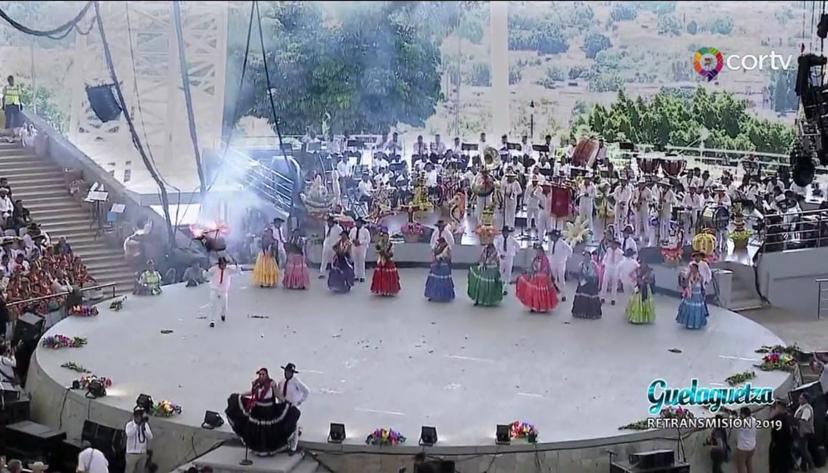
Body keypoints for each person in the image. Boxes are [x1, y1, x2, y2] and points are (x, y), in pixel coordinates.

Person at [226, 368, 301, 457]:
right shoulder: (256, 384)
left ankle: (270, 449)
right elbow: (252, 393)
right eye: (260, 374)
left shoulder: (271, 384)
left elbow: (277, 395)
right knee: (257, 431)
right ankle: (258, 449)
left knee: (269, 432)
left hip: (269, 411)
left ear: (266, 375)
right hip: (258, 410)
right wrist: (241, 395)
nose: (261, 376)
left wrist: (287, 403)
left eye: (263, 374)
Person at [275, 363, 309, 455]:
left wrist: (300, 401)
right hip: (284, 405)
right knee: (283, 424)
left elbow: (306, 391)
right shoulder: (281, 382)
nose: (287, 373)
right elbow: (278, 393)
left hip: (294, 406)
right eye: (286, 371)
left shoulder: (296, 381)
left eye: (290, 372)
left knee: (295, 425)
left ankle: (293, 447)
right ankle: (283, 443)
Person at [516, 244, 559, 313]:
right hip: (536, 277)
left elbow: (545, 270)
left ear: (542, 252)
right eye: (537, 252)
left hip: (543, 278)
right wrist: (531, 273)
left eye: (539, 252)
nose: (538, 253)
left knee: (540, 292)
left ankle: (542, 307)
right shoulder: (535, 259)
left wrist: (537, 273)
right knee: (528, 287)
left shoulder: (545, 259)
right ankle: (534, 306)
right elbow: (532, 268)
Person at [207, 257, 239, 328]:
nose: (223, 266)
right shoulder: (214, 269)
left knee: (224, 304)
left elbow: (237, 270)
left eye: (224, 264)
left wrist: (236, 264)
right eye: (222, 264)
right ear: (219, 264)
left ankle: (223, 314)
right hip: (214, 289)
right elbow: (207, 273)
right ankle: (212, 320)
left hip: (223, 290)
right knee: (213, 304)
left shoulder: (229, 269)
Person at [676, 262, 709, 329]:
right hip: (690, 295)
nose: (691, 269)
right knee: (688, 309)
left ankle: (696, 324)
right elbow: (684, 284)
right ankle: (688, 323)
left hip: (698, 295)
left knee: (697, 310)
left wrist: (703, 294)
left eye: (693, 268)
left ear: (696, 269)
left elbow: (702, 286)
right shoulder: (688, 276)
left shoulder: (700, 276)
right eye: (691, 268)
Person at [572, 251, 602, 319]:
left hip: (591, 282)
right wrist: (581, 279)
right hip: (583, 281)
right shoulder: (581, 264)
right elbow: (579, 273)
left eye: (588, 256)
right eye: (585, 256)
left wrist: (596, 282)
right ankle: (580, 312)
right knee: (581, 296)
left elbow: (597, 274)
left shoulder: (594, 264)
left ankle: (592, 313)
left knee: (592, 297)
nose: (586, 257)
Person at [370, 228, 400, 296]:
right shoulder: (380, 243)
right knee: (380, 275)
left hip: (388, 260)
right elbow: (377, 249)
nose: (385, 237)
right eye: (384, 236)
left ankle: (389, 290)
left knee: (389, 276)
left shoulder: (391, 244)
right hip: (381, 260)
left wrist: (386, 254)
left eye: (386, 236)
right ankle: (382, 289)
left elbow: (391, 253)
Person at [625, 260, 655, 324]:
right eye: (641, 263)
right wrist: (636, 279)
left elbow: (651, 280)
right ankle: (636, 317)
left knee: (645, 301)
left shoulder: (649, 271)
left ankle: (644, 318)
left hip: (645, 288)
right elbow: (630, 274)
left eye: (644, 263)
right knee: (636, 301)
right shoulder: (638, 269)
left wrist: (645, 281)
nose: (642, 264)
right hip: (638, 287)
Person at [425, 237, 454, 302]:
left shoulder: (447, 248)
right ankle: (432, 294)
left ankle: (444, 295)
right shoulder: (437, 246)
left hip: (443, 266)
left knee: (443, 281)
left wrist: (442, 258)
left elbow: (449, 257)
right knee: (433, 280)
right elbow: (433, 254)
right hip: (436, 265)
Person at [124, 408, 152, 473]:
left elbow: (150, 437)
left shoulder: (145, 425)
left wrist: (144, 429)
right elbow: (129, 434)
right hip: (131, 454)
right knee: (129, 471)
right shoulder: (129, 425)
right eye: (137, 416)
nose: (139, 417)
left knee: (140, 471)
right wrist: (136, 425)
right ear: (135, 416)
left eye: (140, 415)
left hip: (142, 453)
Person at [546, 230, 572, 301]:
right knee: (553, 279)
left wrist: (565, 257)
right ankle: (554, 293)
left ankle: (563, 295)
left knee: (561, 279)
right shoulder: (551, 243)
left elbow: (569, 250)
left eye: (552, 236)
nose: (551, 237)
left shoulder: (562, 243)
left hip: (561, 263)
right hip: (553, 262)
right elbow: (550, 253)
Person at [769, 400, 793, 473]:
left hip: (779, 447)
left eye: (775, 408)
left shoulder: (779, 418)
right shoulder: (788, 416)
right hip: (786, 447)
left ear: (779, 408)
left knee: (780, 467)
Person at [793, 392, 816, 471]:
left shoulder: (807, 409)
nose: (799, 399)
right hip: (800, 431)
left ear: (805, 400)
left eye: (801, 398)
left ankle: (811, 466)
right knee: (802, 449)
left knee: (803, 450)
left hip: (805, 432)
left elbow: (803, 420)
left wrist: (794, 421)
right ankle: (804, 466)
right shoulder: (801, 406)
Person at [493, 226, 518, 293]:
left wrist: (514, 252)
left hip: (509, 257)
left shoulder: (512, 239)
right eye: (504, 232)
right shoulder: (499, 239)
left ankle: (505, 288)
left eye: (507, 232)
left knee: (508, 273)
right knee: (501, 272)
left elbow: (518, 246)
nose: (505, 233)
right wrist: (499, 254)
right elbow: (497, 247)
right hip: (502, 257)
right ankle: (500, 286)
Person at [600, 239, 623, 305]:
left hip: (615, 268)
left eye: (615, 244)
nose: (613, 245)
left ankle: (613, 298)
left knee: (614, 284)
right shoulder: (608, 250)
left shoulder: (620, 252)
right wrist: (604, 263)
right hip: (608, 267)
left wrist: (619, 269)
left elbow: (621, 261)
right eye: (612, 243)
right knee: (604, 282)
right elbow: (605, 257)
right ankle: (602, 297)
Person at [734, 407, 756, 473]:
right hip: (752, 447)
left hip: (743, 449)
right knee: (749, 464)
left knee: (741, 467)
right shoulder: (754, 420)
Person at [349, 218, 371, 283]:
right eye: (356, 222)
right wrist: (352, 241)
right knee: (355, 261)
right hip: (354, 247)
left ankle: (362, 276)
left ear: (361, 223)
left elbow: (368, 240)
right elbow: (349, 237)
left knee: (361, 261)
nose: (357, 223)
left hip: (362, 247)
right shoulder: (353, 230)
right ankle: (356, 275)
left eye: (359, 222)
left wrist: (360, 242)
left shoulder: (365, 231)